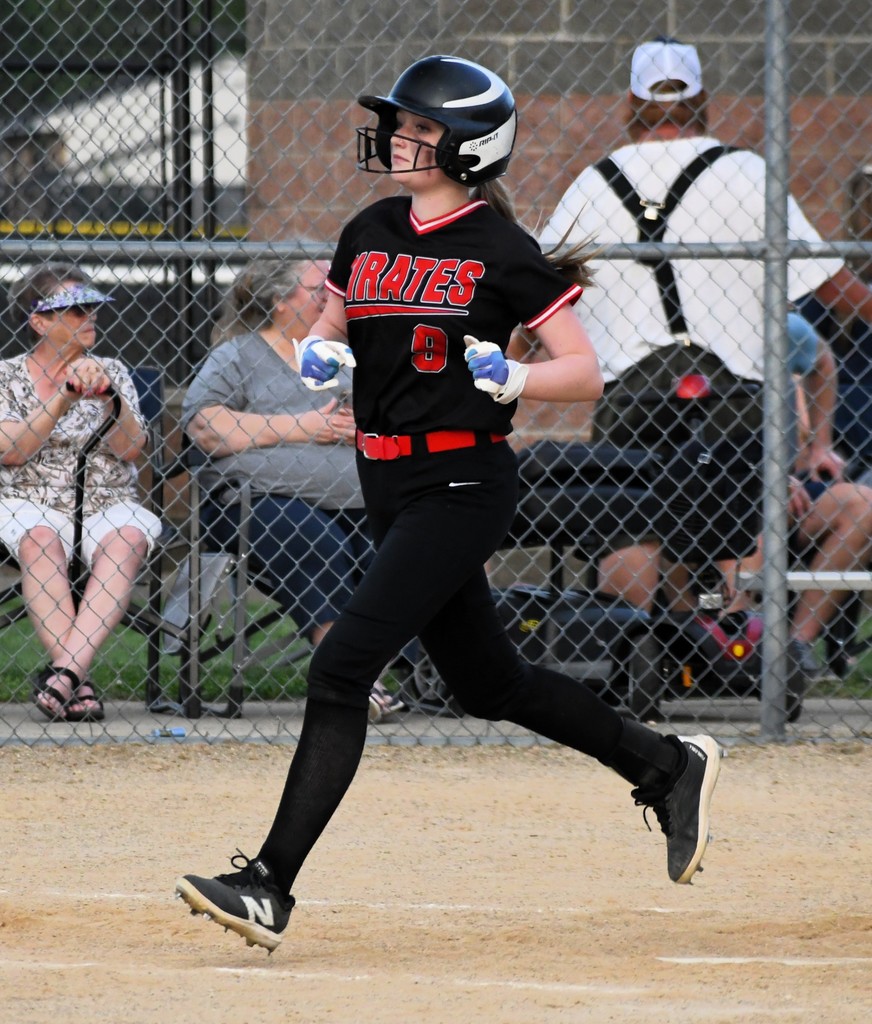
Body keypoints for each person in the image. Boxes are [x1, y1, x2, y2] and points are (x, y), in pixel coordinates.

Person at [175, 55, 723, 953]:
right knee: (489, 684)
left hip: (464, 482)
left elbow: (583, 368)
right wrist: (321, 351)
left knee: (342, 666)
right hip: (386, 479)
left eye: (420, 129)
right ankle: (665, 764)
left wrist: (516, 375)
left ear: (470, 148)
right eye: (399, 126)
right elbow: (335, 320)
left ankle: (269, 884)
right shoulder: (371, 227)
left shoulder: (501, 252)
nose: (399, 140)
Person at [539, 36, 872, 682]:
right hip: (735, 391)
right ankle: (747, 656)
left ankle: (635, 660)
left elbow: (541, 288)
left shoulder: (592, 183)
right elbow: (836, 290)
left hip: (633, 387)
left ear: (632, 104)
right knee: (734, 525)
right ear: (703, 104)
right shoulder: (744, 171)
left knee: (629, 519)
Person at [182, 257, 403, 722]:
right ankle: (349, 679)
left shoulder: (346, 355)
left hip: (358, 500)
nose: (332, 293)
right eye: (320, 286)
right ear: (281, 302)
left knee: (404, 546)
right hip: (252, 506)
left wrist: (359, 430)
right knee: (314, 539)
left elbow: (394, 423)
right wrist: (307, 426)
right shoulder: (238, 356)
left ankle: (431, 672)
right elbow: (207, 428)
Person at [0, 263, 163, 721]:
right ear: (39, 323)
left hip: (105, 500)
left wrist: (111, 398)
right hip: (27, 500)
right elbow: (14, 451)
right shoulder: (6, 376)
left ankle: (66, 675)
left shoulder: (113, 369)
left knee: (128, 538)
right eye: (74, 310)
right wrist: (64, 397)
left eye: (92, 306)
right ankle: (80, 680)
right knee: (40, 540)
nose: (90, 315)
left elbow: (131, 449)